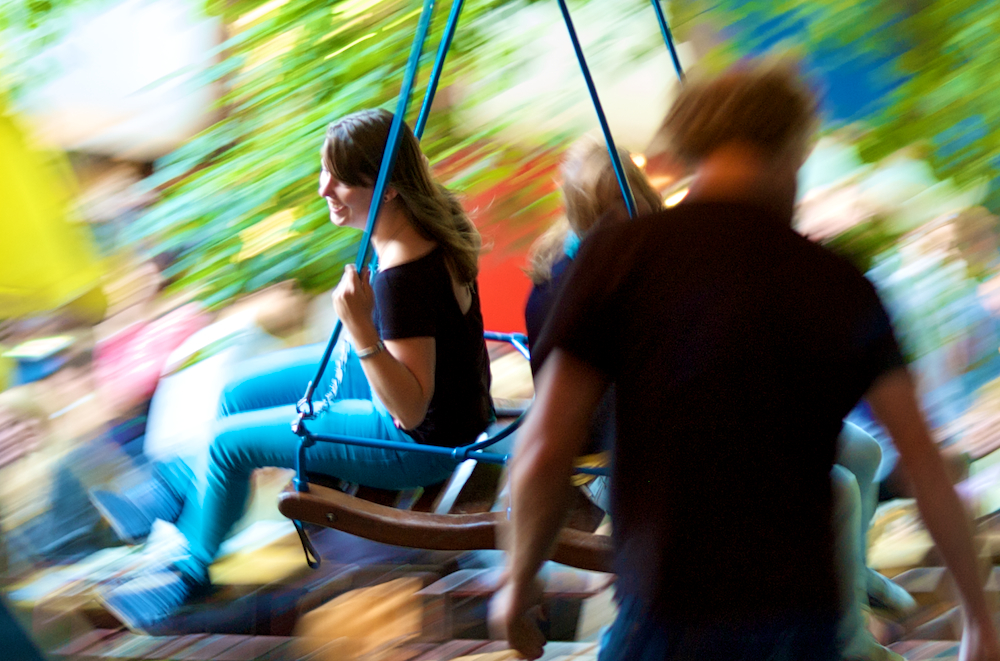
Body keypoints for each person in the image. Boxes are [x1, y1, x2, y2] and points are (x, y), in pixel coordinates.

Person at [490, 60, 1000, 661]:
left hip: (665, 617)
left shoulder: (616, 260)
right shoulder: (835, 282)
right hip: (801, 625)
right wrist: (978, 621)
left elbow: (547, 447)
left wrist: (516, 587)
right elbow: (924, 462)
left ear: (688, 147)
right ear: (791, 148)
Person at [96, 108, 494, 632]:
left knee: (228, 444)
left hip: (423, 440)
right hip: (430, 393)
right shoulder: (422, 222)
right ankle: (175, 489)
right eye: (324, 171)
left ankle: (193, 571)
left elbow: (410, 409)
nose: (324, 187)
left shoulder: (405, 274)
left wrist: (362, 331)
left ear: (386, 188)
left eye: (340, 178)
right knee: (238, 392)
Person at [523, 136, 915, 661]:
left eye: (630, 210)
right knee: (836, 490)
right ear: (583, 217)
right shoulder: (572, 284)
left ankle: (852, 574)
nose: (624, 227)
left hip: (720, 424)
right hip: (625, 457)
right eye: (607, 217)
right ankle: (847, 641)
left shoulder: (658, 258)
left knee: (863, 451)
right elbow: (595, 411)